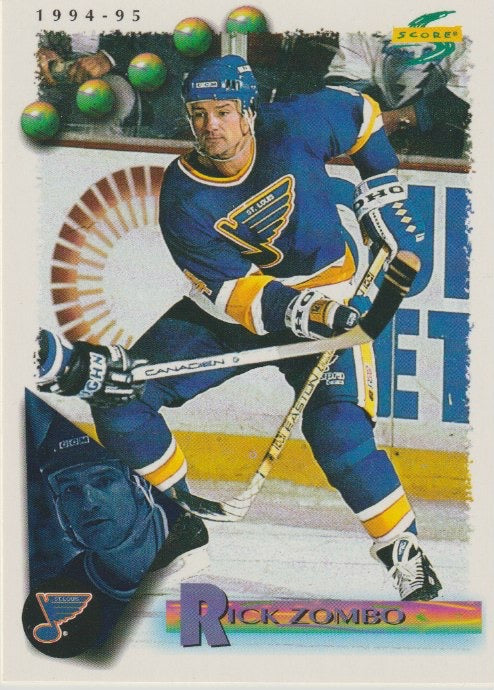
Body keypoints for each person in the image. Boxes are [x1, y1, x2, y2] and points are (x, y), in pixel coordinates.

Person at [38, 55, 442, 601]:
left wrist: (383, 191)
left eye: (224, 111)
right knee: (120, 396)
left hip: (330, 292)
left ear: (249, 111)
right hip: (236, 313)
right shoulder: (183, 192)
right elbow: (233, 293)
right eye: (199, 114)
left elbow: (364, 116)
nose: (211, 125)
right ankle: (175, 525)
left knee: (340, 430)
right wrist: (310, 313)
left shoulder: (297, 123)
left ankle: (403, 552)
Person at [23, 392, 208, 655]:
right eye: (70, 489)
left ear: (138, 487)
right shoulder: (69, 594)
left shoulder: (191, 536)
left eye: (103, 481)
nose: (88, 502)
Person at [325, 31, 471, 158]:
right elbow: (346, 77)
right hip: (376, 136)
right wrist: (365, 115)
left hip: (446, 142)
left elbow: (467, 96)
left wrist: (395, 118)